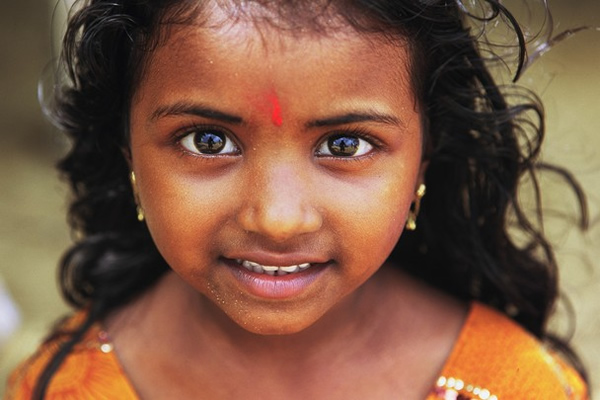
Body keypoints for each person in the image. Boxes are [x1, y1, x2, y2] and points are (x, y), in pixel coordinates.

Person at [4, 0, 590, 399]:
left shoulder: (519, 385)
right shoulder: (64, 385)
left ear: (425, 158)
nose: (278, 219)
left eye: (345, 142)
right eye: (208, 141)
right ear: (126, 148)